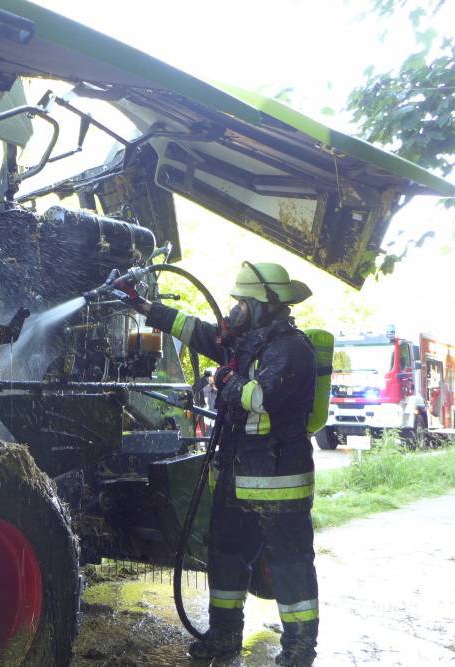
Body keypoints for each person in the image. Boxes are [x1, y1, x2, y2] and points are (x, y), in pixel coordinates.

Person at [123, 261, 319, 666]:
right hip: (238, 478)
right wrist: (145, 306)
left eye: (242, 302)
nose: (235, 309)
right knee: (226, 554)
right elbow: (196, 331)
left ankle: (299, 650)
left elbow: (261, 398)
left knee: (289, 563)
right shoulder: (245, 343)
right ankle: (225, 635)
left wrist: (225, 380)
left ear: (263, 304)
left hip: (279, 482)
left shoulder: (291, 349)